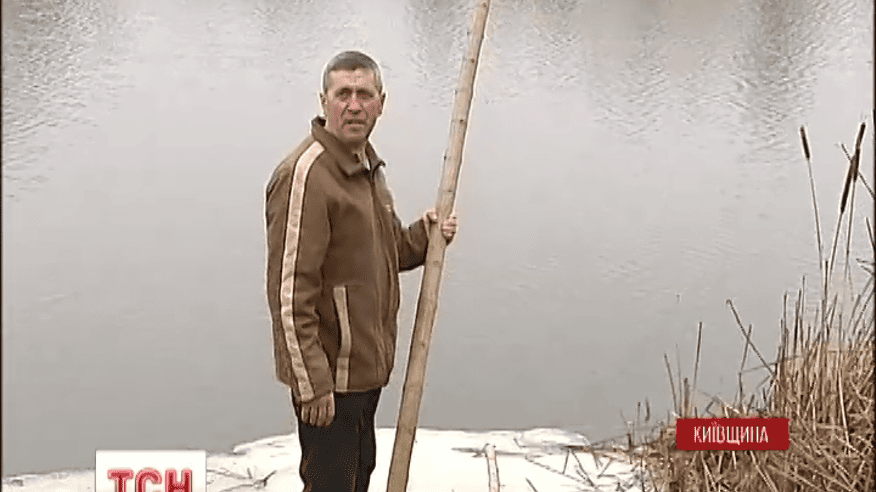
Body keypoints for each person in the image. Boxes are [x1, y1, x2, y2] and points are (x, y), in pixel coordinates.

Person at [264, 50, 458, 492]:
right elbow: (290, 293)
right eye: (343, 94)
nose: (354, 105)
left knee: (358, 478)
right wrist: (313, 384)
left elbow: (387, 253)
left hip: (365, 372)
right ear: (324, 101)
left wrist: (426, 236)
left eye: (364, 95)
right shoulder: (307, 176)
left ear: (381, 103)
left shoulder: (365, 167)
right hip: (330, 383)